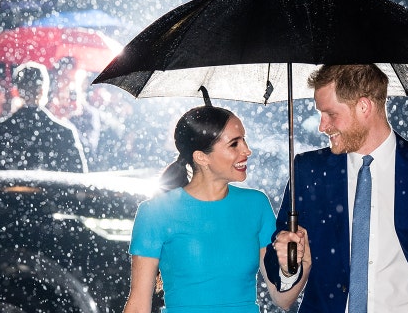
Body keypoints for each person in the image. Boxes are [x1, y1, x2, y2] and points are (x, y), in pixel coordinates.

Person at [265, 64, 408, 312]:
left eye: (330, 114)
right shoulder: (308, 170)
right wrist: (286, 265)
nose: (322, 126)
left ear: (364, 107)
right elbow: (278, 258)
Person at [123, 105, 310, 313]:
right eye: (234, 144)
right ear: (201, 157)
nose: (247, 150)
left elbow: (282, 299)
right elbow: (139, 305)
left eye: (244, 140)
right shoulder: (154, 213)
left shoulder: (256, 205)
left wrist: (292, 269)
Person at [0, 61, 88, 173]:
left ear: (17, 91)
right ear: (44, 90)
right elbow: (78, 179)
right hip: (51, 191)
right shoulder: (63, 133)